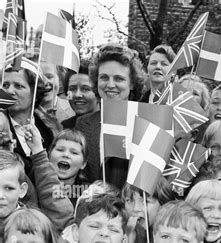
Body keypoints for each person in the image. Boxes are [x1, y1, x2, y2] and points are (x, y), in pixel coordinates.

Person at [75, 44, 147, 188]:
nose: (110, 84)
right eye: (104, 77)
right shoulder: (83, 123)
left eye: (119, 79)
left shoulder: (145, 124)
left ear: (132, 83)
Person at [3, 64, 56, 174]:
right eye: (5, 85)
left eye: (18, 86)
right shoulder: (1, 126)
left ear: (35, 93)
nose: (9, 91)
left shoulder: (51, 130)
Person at [121, 177, 174, 243]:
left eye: (145, 201)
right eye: (129, 200)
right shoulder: (116, 230)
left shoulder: (170, 240)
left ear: (164, 205)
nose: (135, 208)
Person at [48, 129, 89, 206]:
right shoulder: (34, 185)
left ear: (83, 163)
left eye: (74, 152)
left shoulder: (88, 194)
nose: (66, 155)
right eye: (60, 150)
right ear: (49, 155)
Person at [62, 61, 100, 128]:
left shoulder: (109, 127)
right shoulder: (64, 127)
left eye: (85, 89)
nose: (77, 95)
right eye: (72, 89)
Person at [39, 62, 74, 127]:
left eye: (49, 76)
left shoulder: (73, 110)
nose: (45, 82)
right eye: (39, 77)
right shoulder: (24, 112)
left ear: (59, 78)